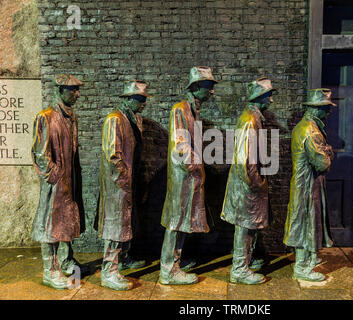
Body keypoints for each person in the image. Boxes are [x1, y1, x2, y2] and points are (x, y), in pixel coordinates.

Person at [159, 66, 217, 285]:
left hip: (189, 178)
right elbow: (180, 145)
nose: (212, 92)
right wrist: (196, 167)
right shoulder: (180, 110)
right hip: (183, 177)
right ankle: (167, 269)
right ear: (196, 87)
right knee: (175, 222)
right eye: (209, 87)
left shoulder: (193, 110)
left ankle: (176, 262)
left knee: (182, 222)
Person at [31, 74, 85, 289]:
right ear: (60, 90)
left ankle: (64, 262)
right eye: (72, 90)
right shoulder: (46, 117)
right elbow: (39, 153)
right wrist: (55, 177)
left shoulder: (72, 117)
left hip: (68, 181)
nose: (77, 94)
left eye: (77, 90)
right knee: (50, 226)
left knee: (64, 224)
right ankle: (49, 271)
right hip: (56, 183)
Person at [96, 80, 151, 290]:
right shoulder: (115, 120)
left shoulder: (132, 119)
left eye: (144, 99)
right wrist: (123, 180)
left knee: (125, 225)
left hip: (129, 181)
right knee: (114, 226)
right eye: (139, 99)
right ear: (128, 99)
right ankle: (109, 272)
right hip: (118, 185)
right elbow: (113, 156)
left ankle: (122, 260)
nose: (143, 103)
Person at [221, 77, 276, 284]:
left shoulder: (254, 117)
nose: (271, 101)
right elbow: (245, 158)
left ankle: (244, 263)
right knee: (244, 227)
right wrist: (256, 183)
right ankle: (239, 270)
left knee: (248, 226)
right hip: (248, 184)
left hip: (249, 182)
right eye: (268, 96)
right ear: (259, 97)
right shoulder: (249, 120)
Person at [283, 88, 336, 282]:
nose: (328, 112)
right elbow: (323, 162)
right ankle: (302, 266)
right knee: (306, 222)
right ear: (316, 109)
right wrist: (329, 152)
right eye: (325, 108)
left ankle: (308, 258)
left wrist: (326, 151)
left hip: (307, 184)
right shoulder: (310, 131)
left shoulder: (306, 126)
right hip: (307, 185)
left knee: (308, 222)